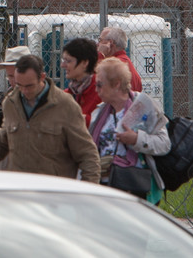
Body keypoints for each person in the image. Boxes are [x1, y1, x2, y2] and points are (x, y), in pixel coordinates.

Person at [0, 54, 101, 182]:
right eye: (19, 85)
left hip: (53, 191)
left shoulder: (65, 105)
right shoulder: (10, 103)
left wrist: (88, 190)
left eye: (29, 86)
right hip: (20, 190)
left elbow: (87, 154)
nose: (24, 91)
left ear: (42, 77)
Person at [89, 57, 170, 203]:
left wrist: (137, 139)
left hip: (134, 186)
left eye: (100, 85)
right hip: (104, 185)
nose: (97, 90)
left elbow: (164, 144)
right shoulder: (100, 113)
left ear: (116, 84)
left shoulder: (143, 107)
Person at [61, 37, 101, 126]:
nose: (62, 65)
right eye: (63, 60)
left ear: (84, 63)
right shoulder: (72, 91)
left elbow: (103, 124)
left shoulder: (101, 91)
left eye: (68, 61)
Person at [97, 27, 142, 95]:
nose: (98, 44)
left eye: (100, 40)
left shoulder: (114, 65)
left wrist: (100, 54)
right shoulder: (127, 62)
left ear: (110, 43)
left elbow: (94, 78)